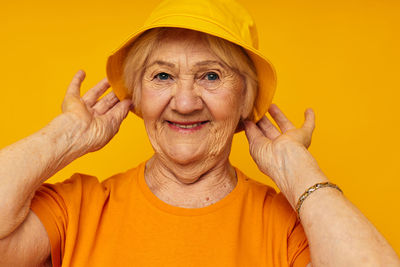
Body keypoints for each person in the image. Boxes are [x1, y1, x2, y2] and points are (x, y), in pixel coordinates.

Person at [0, 0, 399, 266]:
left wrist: (297, 170)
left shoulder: (286, 223)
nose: (186, 102)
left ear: (246, 99)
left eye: (211, 75)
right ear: (135, 97)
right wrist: (62, 137)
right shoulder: (80, 206)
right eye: (162, 76)